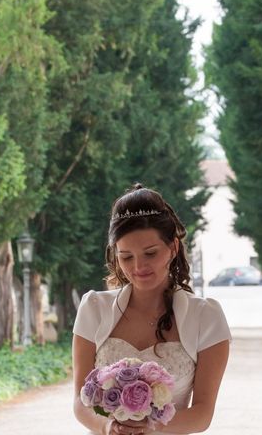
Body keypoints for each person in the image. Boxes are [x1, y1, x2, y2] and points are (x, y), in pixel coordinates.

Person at [73, 184, 231, 435]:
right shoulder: (94, 308)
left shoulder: (206, 317)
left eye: (150, 253)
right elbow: (80, 403)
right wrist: (108, 426)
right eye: (126, 257)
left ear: (173, 248)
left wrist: (149, 428)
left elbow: (202, 413)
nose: (139, 266)